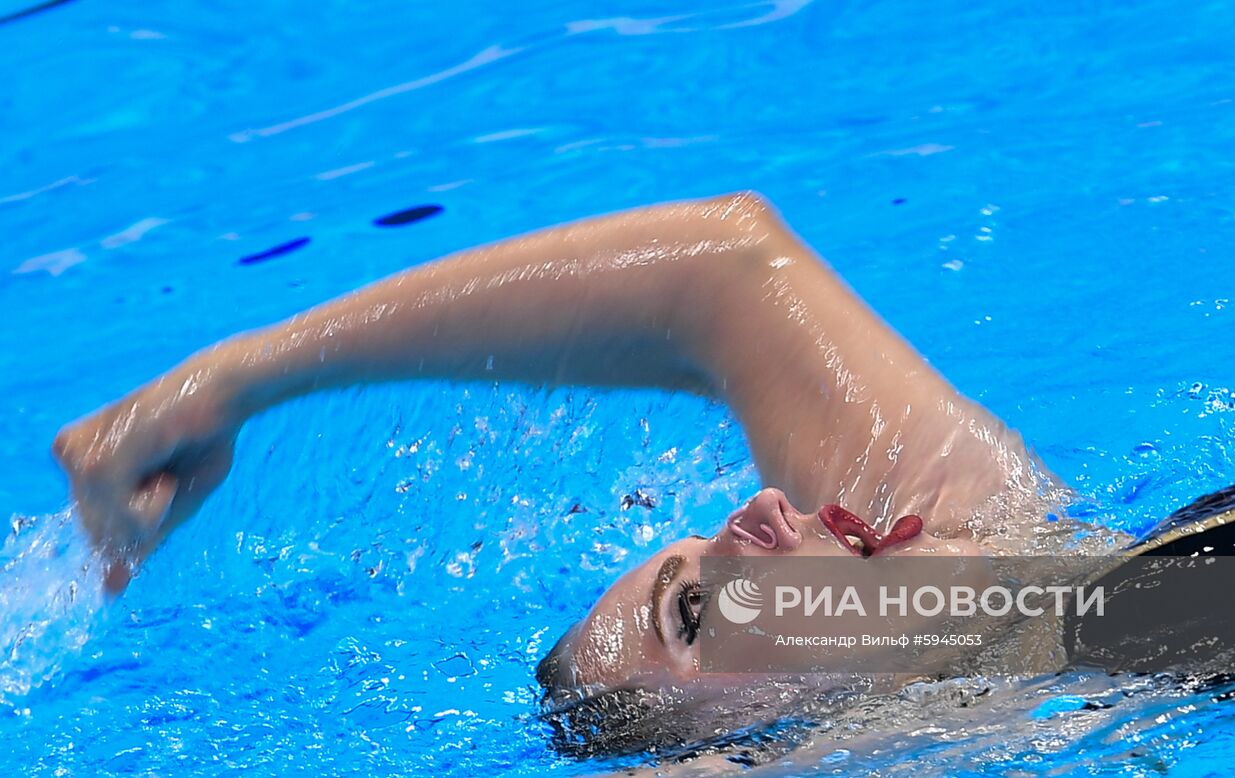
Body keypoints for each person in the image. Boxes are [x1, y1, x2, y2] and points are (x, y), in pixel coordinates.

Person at [52, 192, 1059, 755]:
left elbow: (723, 270)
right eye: (698, 619)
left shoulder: (979, 527)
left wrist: (231, 381)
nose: (760, 508)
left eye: (696, 552)